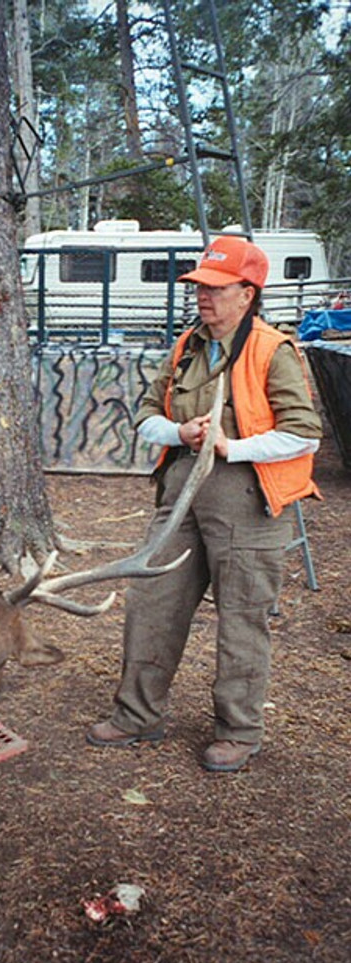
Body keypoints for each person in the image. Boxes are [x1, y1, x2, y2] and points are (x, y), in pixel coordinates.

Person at [87, 235, 323, 772]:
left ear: (248, 293)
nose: (203, 297)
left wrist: (229, 445)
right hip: (180, 498)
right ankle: (137, 714)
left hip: (246, 503)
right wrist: (178, 431)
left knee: (241, 620)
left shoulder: (271, 350)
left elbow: (305, 433)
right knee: (151, 603)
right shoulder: (187, 347)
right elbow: (146, 415)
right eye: (200, 287)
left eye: (217, 289)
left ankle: (239, 731)